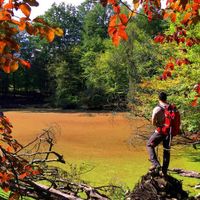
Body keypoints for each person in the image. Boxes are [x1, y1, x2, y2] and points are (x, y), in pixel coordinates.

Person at [147, 92, 171, 175]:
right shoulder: (170, 107)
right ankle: (164, 171)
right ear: (166, 98)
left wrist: (158, 125)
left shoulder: (157, 108)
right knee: (166, 150)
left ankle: (155, 164)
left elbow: (153, 121)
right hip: (170, 132)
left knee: (149, 145)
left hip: (161, 130)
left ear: (159, 98)